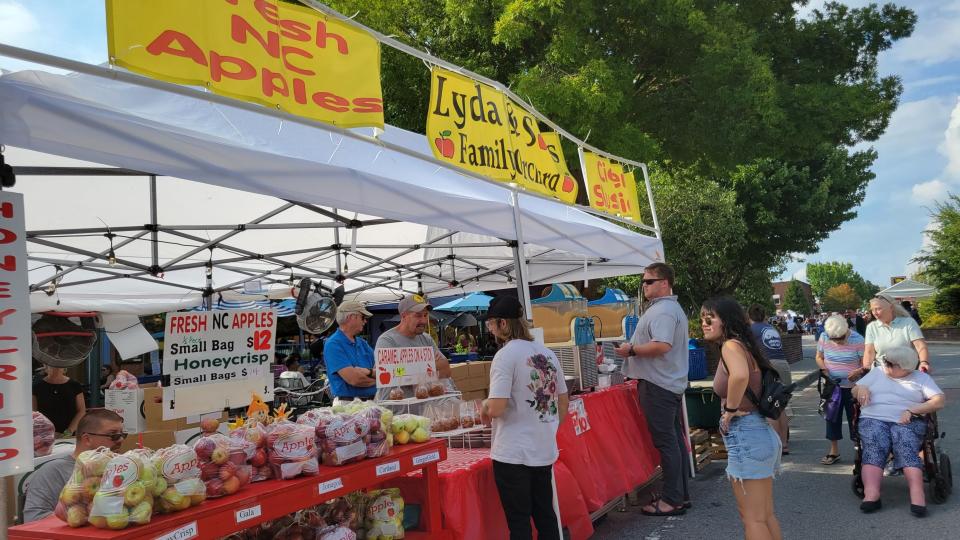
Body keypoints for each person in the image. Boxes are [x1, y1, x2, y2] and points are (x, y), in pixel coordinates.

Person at [481, 296, 568, 540]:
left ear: (503, 324)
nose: (490, 330)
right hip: (542, 447)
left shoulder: (505, 355)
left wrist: (484, 406)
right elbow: (563, 399)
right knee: (545, 515)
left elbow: (497, 407)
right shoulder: (546, 352)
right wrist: (550, 429)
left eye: (490, 325)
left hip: (513, 453)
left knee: (519, 522)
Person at [614, 262, 690, 516]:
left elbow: (662, 345)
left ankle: (672, 500)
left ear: (665, 283)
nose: (644, 285)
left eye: (649, 281)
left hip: (659, 384)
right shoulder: (665, 309)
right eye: (644, 281)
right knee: (673, 440)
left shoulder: (664, 311)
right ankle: (679, 495)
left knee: (667, 442)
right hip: (665, 382)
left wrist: (631, 350)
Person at [704, 297, 782, 540]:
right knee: (763, 515)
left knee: (753, 518)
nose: (704, 324)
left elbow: (739, 376)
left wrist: (730, 409)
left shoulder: (730, 346)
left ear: (726, 321)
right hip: (756, 433)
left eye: (710, 318)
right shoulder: (742, 346)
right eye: (702, 319)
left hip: (747, 435)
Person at [852, 346, 945, 517]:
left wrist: (913, 410)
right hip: (873, 418)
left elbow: (939, 400)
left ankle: (917, 494)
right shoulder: (878, 372)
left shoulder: (920, 378)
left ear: (905, 368)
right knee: (874, 443)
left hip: (909, 420)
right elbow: (855, 389)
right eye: (885, 360)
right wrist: (861, 389)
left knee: (905, 443)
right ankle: (872, 494)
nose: (884, 364)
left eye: (890, 363)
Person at [23, 408, 126, 522]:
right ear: (87, 439)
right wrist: (79, 517)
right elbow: (33, 519)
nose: (120, 440)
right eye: (113, 435)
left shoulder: (120, 468)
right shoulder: (54, 471)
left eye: (122, 434)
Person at [815, 315, 864, 465]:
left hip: (853, 388)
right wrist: (824, 369)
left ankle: (859, 451)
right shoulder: (824, 336)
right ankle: (834, 451)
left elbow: (865, 364)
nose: (837, 342)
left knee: (855, 420)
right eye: (834, 339)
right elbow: (819, 357)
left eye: (840, 338)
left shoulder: (858, 339)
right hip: (832, 386)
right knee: (832, 418)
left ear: (846, 330)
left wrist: (859, 373)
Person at [747, 304, 791, 455]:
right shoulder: (771, 328)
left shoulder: (751, 330)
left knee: (769, 404)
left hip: (769, 365)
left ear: (749, 317)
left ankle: (775, 445)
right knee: (780, 406)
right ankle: (784, 444)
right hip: (783, 364)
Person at [375, 294, 452, 379]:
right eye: (418, 315)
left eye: (425, 315)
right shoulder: (387, 340)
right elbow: (388, 375)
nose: (423, 320)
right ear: (404, 316)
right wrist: (431, 365)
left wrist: (410, 368)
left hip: (423, 392)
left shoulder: (427, 339)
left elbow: (446, 370)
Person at [862, 294, 929, 373]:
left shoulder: (908, 323)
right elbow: (869, 352)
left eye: (878, 309)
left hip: (906, 371)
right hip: (882, 371)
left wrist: (924, 362)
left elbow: (920, 346)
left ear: (891, 308)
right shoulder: (871, 327)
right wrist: (866, 369)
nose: (875, 313)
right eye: (872, 310)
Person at [323, 300, 377, 399]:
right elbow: (355, 379)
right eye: (363, 317)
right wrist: (378, 380)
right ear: (351, 317)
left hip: (370, 402)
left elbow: (382, 370)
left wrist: (368, 372)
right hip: (348, 406)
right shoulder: (333, 344)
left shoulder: (362, 343)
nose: (365, 321)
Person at [32, 365, 85, 436]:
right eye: (52, 365)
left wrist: (69, 431)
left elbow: (81, 410)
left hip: (71, 434)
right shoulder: (36, 386)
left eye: (59, 365)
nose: (56, 369)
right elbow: (35, 413)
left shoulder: (74, 385)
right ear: (46, 367)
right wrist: (48, 432)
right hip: (44, 434)